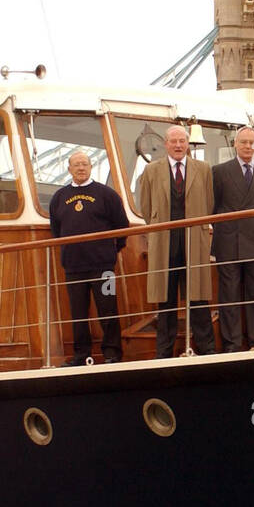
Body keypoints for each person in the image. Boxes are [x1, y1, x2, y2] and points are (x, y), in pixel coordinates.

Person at [135, 124, 215, 358]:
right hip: (165, 241)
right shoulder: (152, 170)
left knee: (198, 296)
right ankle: (164, 352)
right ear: (166, 144)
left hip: (194, 240)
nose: (178, 145)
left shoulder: (203, 169)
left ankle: (207, 347)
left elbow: (208, 204)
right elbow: (147, 208)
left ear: (188, 144)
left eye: (182, 141)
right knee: (166, 298)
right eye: (174, 141)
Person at [49, 150, 128, 365]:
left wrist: (111, 252)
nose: (81, 168)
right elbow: (56, 230)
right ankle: (81, 355)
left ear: (91, 166)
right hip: (74, 267)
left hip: (103, 267)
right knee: (78, 313)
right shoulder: (59, 198)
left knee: (108, 310)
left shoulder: (107, 195)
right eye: (76, 165)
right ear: (69, 169)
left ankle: (112, 353)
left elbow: (122, 226)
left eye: (84, 164)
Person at [212, 126, 254, 351]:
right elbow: (214, 206)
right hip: (227, 242)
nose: (248, 147)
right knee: (228, 296)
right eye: (244, 142)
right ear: (235, 144)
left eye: (252, 143)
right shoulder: (219, 172)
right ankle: (232, 343)